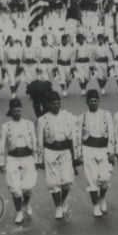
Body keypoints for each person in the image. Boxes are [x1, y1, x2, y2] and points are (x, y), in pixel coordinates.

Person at [35, 91, 77, 221]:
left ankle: (63, 200)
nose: (56, 106)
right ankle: (57, 207)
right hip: (50, 151)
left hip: (65, 151)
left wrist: (77, 155)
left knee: (67, 180)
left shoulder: (68, 117)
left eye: (58, 103)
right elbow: (39, 141)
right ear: (48, 105)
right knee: (53, 181)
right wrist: (39, 159)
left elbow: (75, 136)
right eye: (53, 104)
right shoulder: (43, 120)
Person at [74, 88, 116, 217]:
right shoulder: (82, 117)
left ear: (98, 101)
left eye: (95, 101)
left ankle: (102, 198)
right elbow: (77, 137)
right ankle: (95, 206)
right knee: (92, 180)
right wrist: (79, 154)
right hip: (88, 149)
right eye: (90, 101)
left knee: (105, 178)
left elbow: (112, 134)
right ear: (86, 102)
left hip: (103, 149)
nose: (93, 103)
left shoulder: (106, 115)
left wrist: (111, 151)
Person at [0, 97, 37, 225]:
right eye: (14, 111)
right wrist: (1, 162)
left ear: (21, 111)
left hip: (27, 158)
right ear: (11, 112)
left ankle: (26, 203)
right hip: (13, 159)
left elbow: (35, 142)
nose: (17, 113)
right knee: (14, 187)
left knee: (28, 186)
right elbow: (1, 144)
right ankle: (19, 212)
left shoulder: (29, 124)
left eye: (19, 110)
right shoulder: (6, 126)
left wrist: (37, 159)